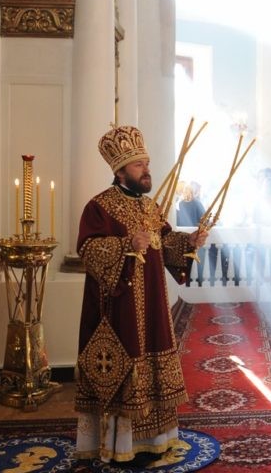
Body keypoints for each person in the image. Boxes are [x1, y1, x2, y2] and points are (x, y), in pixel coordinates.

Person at [74, 125, 209, 464]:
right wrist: (125, 245)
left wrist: (188, 241)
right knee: (126, 365)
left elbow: (166, 243)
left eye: (146, 163)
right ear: (120, 171)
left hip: (153, 305)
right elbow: (88, 250)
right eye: (138, 165)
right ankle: (119, 445)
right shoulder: (99, 207)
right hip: (118, 308)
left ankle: (157, 439)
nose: (147, 170)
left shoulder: (152, 206)